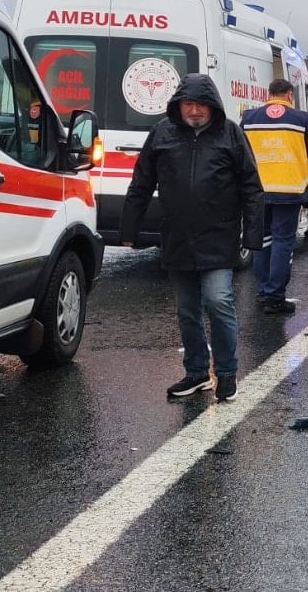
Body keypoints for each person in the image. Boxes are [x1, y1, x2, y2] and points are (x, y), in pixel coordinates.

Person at [120, 73, 263, 401]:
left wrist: (253, 235)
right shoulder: (162, 133)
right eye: (189, 104)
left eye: (201, 104)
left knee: (217, 301)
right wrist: (129, 229)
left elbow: (251, 187)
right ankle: (196, 371)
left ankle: (226, 372)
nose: (195, 110)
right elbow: (141, 183)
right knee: (187, 310)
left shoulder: (230, 134)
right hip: (178, 238)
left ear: (212, 106)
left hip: (219, 236)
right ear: (178, 105)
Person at [241, 78, 308, 315]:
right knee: (282, 242)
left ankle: (262, 289)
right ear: (289, 95)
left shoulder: (249, 118)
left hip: (258, 190)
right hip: (289, 190)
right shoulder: (300, 119)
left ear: (269, 94)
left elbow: (238, 153)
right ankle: (275, 295)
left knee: (263, 239)